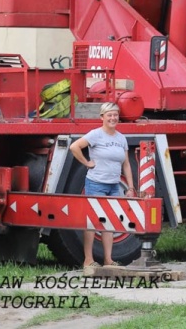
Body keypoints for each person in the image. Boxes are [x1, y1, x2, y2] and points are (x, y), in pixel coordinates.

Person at [69, 102, 135, 271]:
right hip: (96, 183)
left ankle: (108, 259)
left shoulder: (121, 138)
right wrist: (86, 163)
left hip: (113, 185)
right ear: (102, 117)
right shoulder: (95, 135)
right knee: (92, 222)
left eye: (115, 115)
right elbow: (74, 147)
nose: (113, 118)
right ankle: (88, 260)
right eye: (109, 115)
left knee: (109, 223)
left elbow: (126, 164)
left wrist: (131, 187)